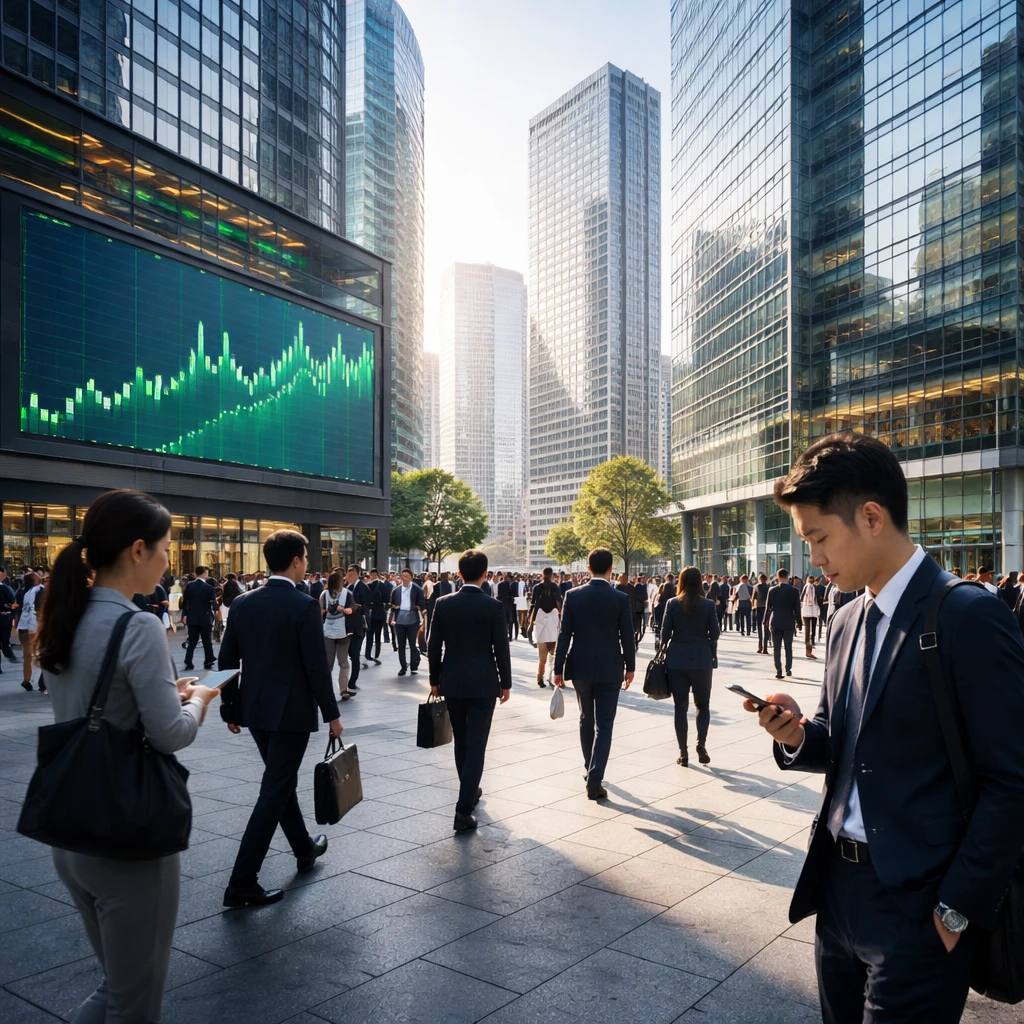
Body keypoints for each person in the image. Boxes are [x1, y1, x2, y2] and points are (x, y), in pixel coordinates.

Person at [745, 432, 1024, 1024]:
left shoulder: (968, 616)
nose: (813, 558)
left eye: (818, 538)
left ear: (871, 517)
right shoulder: (847, 619)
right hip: (837, 892)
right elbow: (842, 741)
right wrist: (796, 735)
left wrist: (954, 913)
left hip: (921, 906)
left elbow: (1012, 781)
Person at [35, 489, 219, 1023]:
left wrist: (168, 687)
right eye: (165, 547)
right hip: (127, 838)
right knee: (135, 1006)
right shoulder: (136, 624)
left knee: (117, 989)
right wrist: (201, 698)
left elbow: (99, 703)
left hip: (71, 829)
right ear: (138, 550)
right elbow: (170, 735)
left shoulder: (65, 616)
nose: (168, 559)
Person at [218, 530, 342, 907]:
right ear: (295, 561)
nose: (307, 563)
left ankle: (304, 849)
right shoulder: (303, 605)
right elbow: (316, 668)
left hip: (255, 711)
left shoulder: (241, 603)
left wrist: (230, 707)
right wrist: (332, 715)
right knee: (273, 791)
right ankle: (242, 881)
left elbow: (226, 661)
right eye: (305, 557)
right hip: (291, 713)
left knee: (280, 781)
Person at [427, 549, 512, 831]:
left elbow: (433, 644)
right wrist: (506, 683)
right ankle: (463, 809)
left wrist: (434, 679)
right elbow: (501, 648)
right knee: (477, 744)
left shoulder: (443, 603)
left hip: (452, 680)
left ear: (459, 575)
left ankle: (469, 790)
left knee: (462, 741)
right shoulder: (493, 606)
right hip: (484, 682)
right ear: (486, 574)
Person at [553, 548, 636, 800]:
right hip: (611, 667)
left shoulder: (572, 596)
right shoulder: (620, 599)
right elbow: (627, 637)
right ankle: (595, 777)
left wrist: (557, 669)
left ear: (588, 568)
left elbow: (564, 634)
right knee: (605, 723)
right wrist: (630, 667)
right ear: (611, 568)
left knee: (585, 718)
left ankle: (590, 770)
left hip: (580, 667)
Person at [660, 566, 720, 766]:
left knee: (680, 707)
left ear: (681, 582)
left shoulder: (672, 604)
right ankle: (701, 743)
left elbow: (665, 634)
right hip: (702, 659)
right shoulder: (709, 604)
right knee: (702, 705)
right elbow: (715, 633)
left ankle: (683, 753)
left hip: (677, 660)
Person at [320, 571, 354, 700]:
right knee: (343, 662)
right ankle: (343, 690)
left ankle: (327, 690)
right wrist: (344, 610)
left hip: (329, 629)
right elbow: (352, 609)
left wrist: (329, 610)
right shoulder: (347, 593)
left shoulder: (324, 594)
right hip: (342, 629)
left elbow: (320, 610)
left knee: (329, 663)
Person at [763, 568, 801, 679]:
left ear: (778, 577)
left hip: (775, 622)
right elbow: (797, 609)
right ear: (787, 577)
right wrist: (799, 622)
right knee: (788, 647)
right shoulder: (794, 591)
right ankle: (788, 669)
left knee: (776, 647)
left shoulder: (772, 590)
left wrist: (765, 620)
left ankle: (778, 670)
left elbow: (768, 608)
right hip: (789, 622)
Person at [529, 567, 563, 687]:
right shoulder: (555, 587)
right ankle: (552, 677)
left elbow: (533, 604)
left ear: (543, 575)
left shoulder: (537, 588)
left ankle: (540, 677)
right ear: (552, 575)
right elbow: (560, 603)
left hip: (540, 621)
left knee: (541, 656)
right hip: (553, 623)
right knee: (553, 655)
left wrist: (530, 621)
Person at [389, 568, 425, 676]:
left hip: (412, 617)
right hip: (400, 618)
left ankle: (414, 662)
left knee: (412, 644)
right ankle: (403, 666)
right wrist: (391, 617)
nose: (405, 578)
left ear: (411, 577)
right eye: (403, 575)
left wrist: (422, 614)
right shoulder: (396, 590)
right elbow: (392, 605)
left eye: (407, 576)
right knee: (401, 644)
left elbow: (422, 604)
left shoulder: (417, 589)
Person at [181, 566, 217, 670]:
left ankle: (188, 661)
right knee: (207, 641)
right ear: (205, 573)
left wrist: (184, 615)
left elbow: (185, 603)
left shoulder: (189, 586)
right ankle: (208, 660)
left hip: (192, 617)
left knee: (192, 641)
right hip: (205, 617)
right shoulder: (209, 588)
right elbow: (214, 606)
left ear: (195, 574)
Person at [14, 571, 45, 691]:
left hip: (23, 624)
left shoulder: (22, 591)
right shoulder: (40, 590)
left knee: (27, 656)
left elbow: (19, 606)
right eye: (37, 576)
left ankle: (26, 680)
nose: (40, 576)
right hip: (34, 624)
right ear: (35, 580)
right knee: (42, 652)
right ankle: (43, 682)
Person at [364, 568, 391, 664]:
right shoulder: (382, 585)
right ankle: (376, 654)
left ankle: (368, 654)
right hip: (379, 613)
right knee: (378, 635)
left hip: (370, 614)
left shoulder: (367, 586)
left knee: (369, 635)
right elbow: (387, 598)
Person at [800, 575, 820, 660]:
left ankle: (807, 648)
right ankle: (813, 642)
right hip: (814, 610)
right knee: (813, 628)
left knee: (807, 630)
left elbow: (801, 597)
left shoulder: (806, 587)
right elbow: (818, 598)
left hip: (806, 609)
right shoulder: (815, 587)